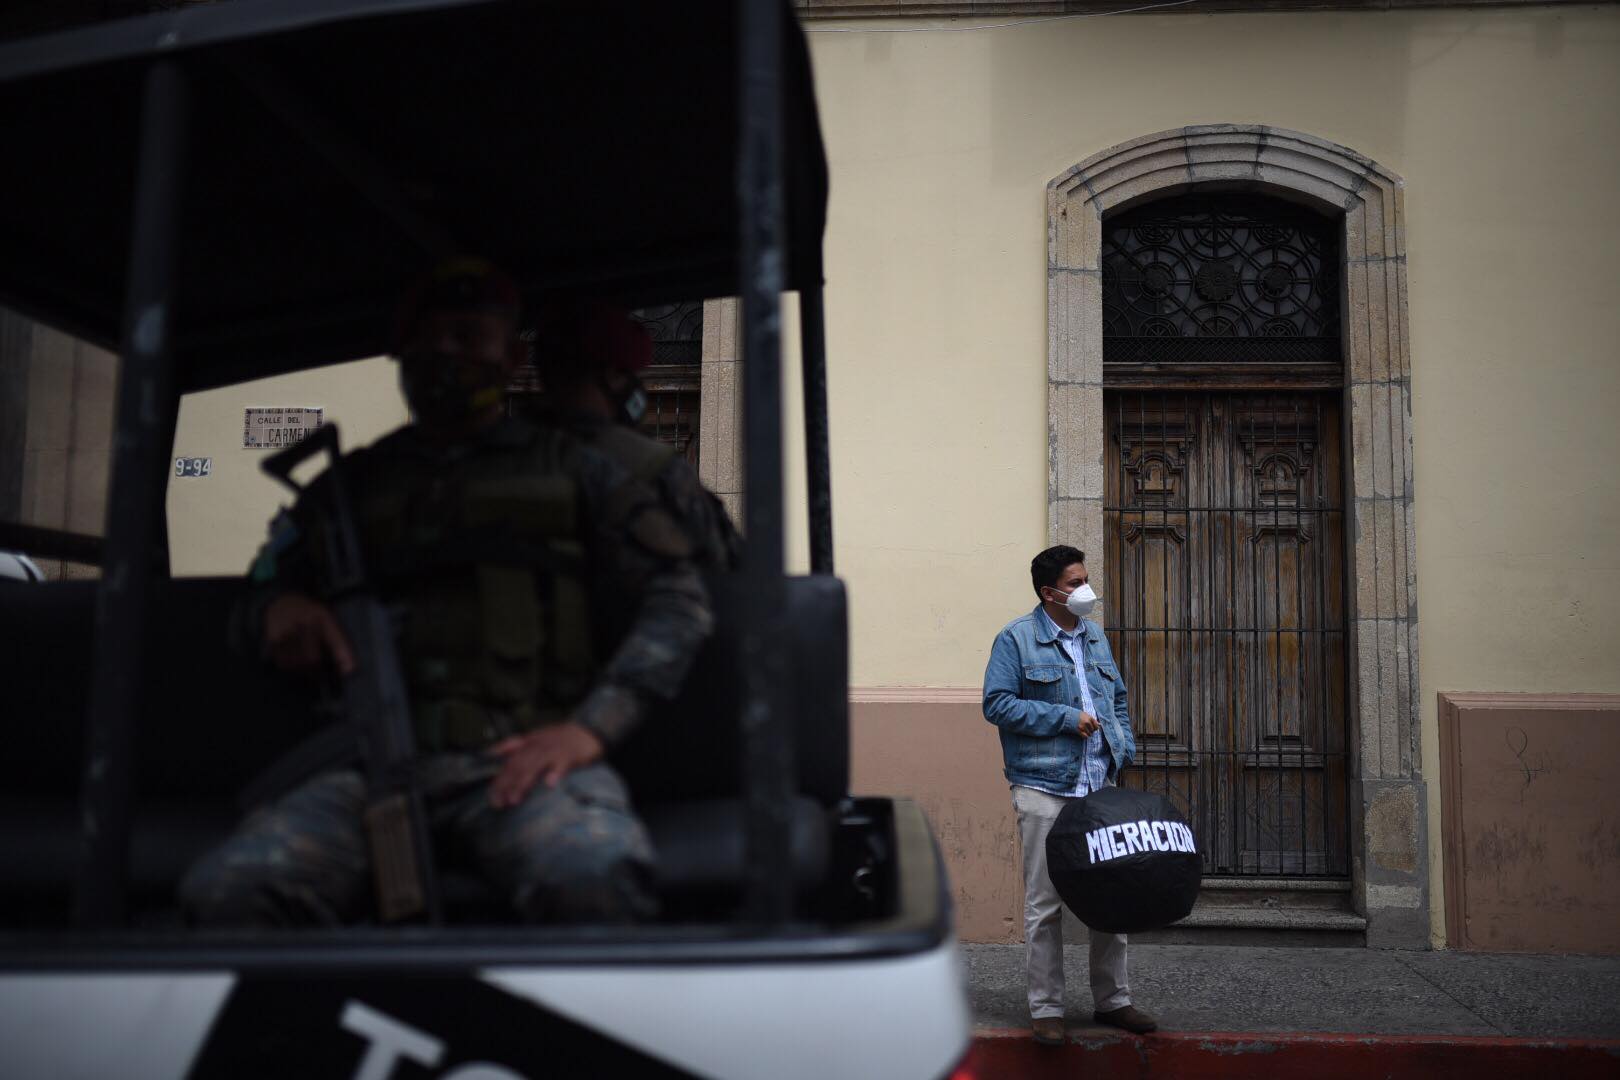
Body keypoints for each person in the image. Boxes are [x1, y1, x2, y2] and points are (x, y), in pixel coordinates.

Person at [180, 257, 714, 926]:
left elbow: (680, 599)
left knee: (593, 877)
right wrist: (278, 609)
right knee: (232, 891)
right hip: (367, 766)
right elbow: (261, 584)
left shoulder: (580, 473)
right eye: (426, 339)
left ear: (511, 354)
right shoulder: (349, 489)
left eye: (466, 337)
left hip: (524, 762)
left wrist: (589, 729)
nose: (442, 355)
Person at [982, 544, 1156, 1044]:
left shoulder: (1096, 637)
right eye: (1076, 583)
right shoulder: (1016, 639)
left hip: (1099, 785)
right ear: (1050, 592)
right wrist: (1064, 718)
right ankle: (1047, 1009)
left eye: (1085, 579)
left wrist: (1122, 746)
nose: (1086, 590)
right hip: (1043, 786)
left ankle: (1114, 1001)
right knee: (1044, 903)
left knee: (1115, 894)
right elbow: (997, 705)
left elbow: (1117, 697)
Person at [529, 297, 740, 572]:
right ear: (613, 375)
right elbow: (731, 568)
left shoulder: (489, 455)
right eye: (630, 373)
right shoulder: (653, 468)